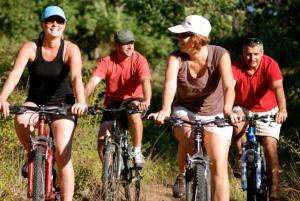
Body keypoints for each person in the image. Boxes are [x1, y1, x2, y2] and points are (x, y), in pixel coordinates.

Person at [148, 15, 240, 200]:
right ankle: (182, 175)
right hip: (186, 109)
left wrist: (228, 110)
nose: (179, 39)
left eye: (185, 35)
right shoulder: (176, 58)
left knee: (219, 166)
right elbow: (170, 84)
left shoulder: (220, 54)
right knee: (188, 137)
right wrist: (165, 109)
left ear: (198, 37)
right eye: (179, 35)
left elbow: (229, 86)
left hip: (216, 112)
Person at [0, 5, 86, 201]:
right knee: (21, 119)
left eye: (59, 21)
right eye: (50, 20)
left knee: (63, 155)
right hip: (36, 102)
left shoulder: (71, 49)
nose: (54, 24)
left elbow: (76, 78)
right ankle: (33, 155)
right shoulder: (30, 47)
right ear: (42, 23)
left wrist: (81, 102)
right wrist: (2, 98)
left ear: (64, 25)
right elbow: (15, 75)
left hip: (63, 104)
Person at [85, 30, 151, 167]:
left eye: (132, 43)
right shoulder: (107, 61)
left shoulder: (139, 60)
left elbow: (145, 81)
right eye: (125, 43)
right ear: (116, 45)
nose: (130, 46)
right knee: (102, 140)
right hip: (113, 104)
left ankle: (137, 151)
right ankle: (110, 176)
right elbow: (93, 81)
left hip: (134, 100)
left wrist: (146, 101)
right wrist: (81, 100)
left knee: (133, 111)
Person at [232, 37, 287, 201]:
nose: (252, 58)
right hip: (244, 108)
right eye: (248, 54)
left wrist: (282, 109)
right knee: (236, 122)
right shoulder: (236, 66)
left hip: (268, 110)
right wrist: (227, 110)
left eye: (256, 54)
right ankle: (239, 155)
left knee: (270, 149)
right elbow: (228, 86)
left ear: (262, 53)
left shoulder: (271, 64)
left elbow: (278, 88)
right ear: (243, 53)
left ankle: (275, 192)